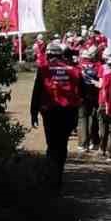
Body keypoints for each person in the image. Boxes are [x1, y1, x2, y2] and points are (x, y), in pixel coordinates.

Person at [29, 42, 82, 189]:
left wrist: (33, 113)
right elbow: (81, 92)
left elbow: (37, 92)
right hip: (68, 112)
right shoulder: (74, 70)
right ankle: (57, 174)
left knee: (52, 145)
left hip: (50, 113)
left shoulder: (44, 69)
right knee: (62, 143)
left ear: (48, 55)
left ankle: (52, 175)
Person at [77, 45, 102, 153]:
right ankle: (94, 142)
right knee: (93, 117)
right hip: (94, 95)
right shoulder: (98, 66)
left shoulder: (79, 66)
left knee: (82, 119)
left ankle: (83, 144)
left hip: (82, 95)